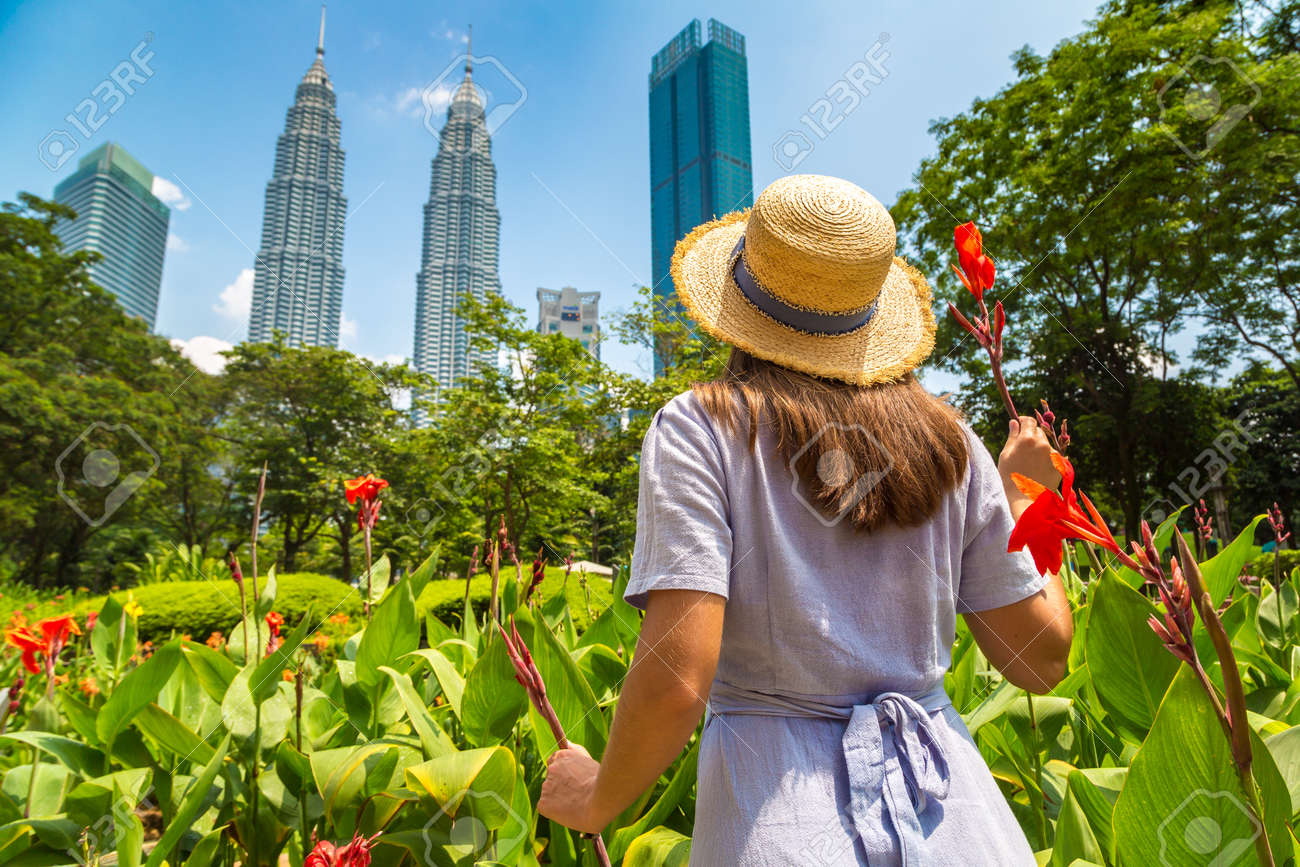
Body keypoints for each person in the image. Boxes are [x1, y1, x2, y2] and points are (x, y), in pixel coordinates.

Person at [537, 175, 1071, 864]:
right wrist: (1027, 496)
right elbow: (1042, 659)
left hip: (777, 825)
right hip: (961, 830)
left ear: (738, 303)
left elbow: (677, 677)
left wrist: (595, 798)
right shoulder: (954, 445)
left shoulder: (700, 429)